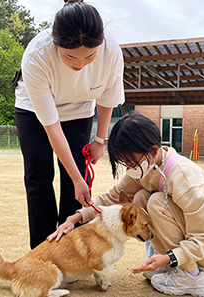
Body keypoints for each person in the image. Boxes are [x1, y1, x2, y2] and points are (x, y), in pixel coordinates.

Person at [49, 111, 204, 297]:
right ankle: (177, 267)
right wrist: (75, 218)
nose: (129, 168)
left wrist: (167, 258)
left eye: (131, 162)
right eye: (124, 163)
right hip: (194, 240)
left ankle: (193, 277)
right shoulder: (147, 167)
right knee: (140, 199)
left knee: (154, 202)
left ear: (154, 149)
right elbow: (112, 197)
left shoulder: (186, 179)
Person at [13, 0, 124, 249]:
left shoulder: (112, 52)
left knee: (75, 181)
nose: (80, 64)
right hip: (34, 109)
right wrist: (77, 178)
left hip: (80, 108)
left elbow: (108, 98)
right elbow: (52, 128)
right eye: (70, 56)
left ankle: (72, 250)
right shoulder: (36, 55)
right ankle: (42, 250)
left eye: (90, 56)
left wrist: (100, 140)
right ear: (54, 39)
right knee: (39, 174)